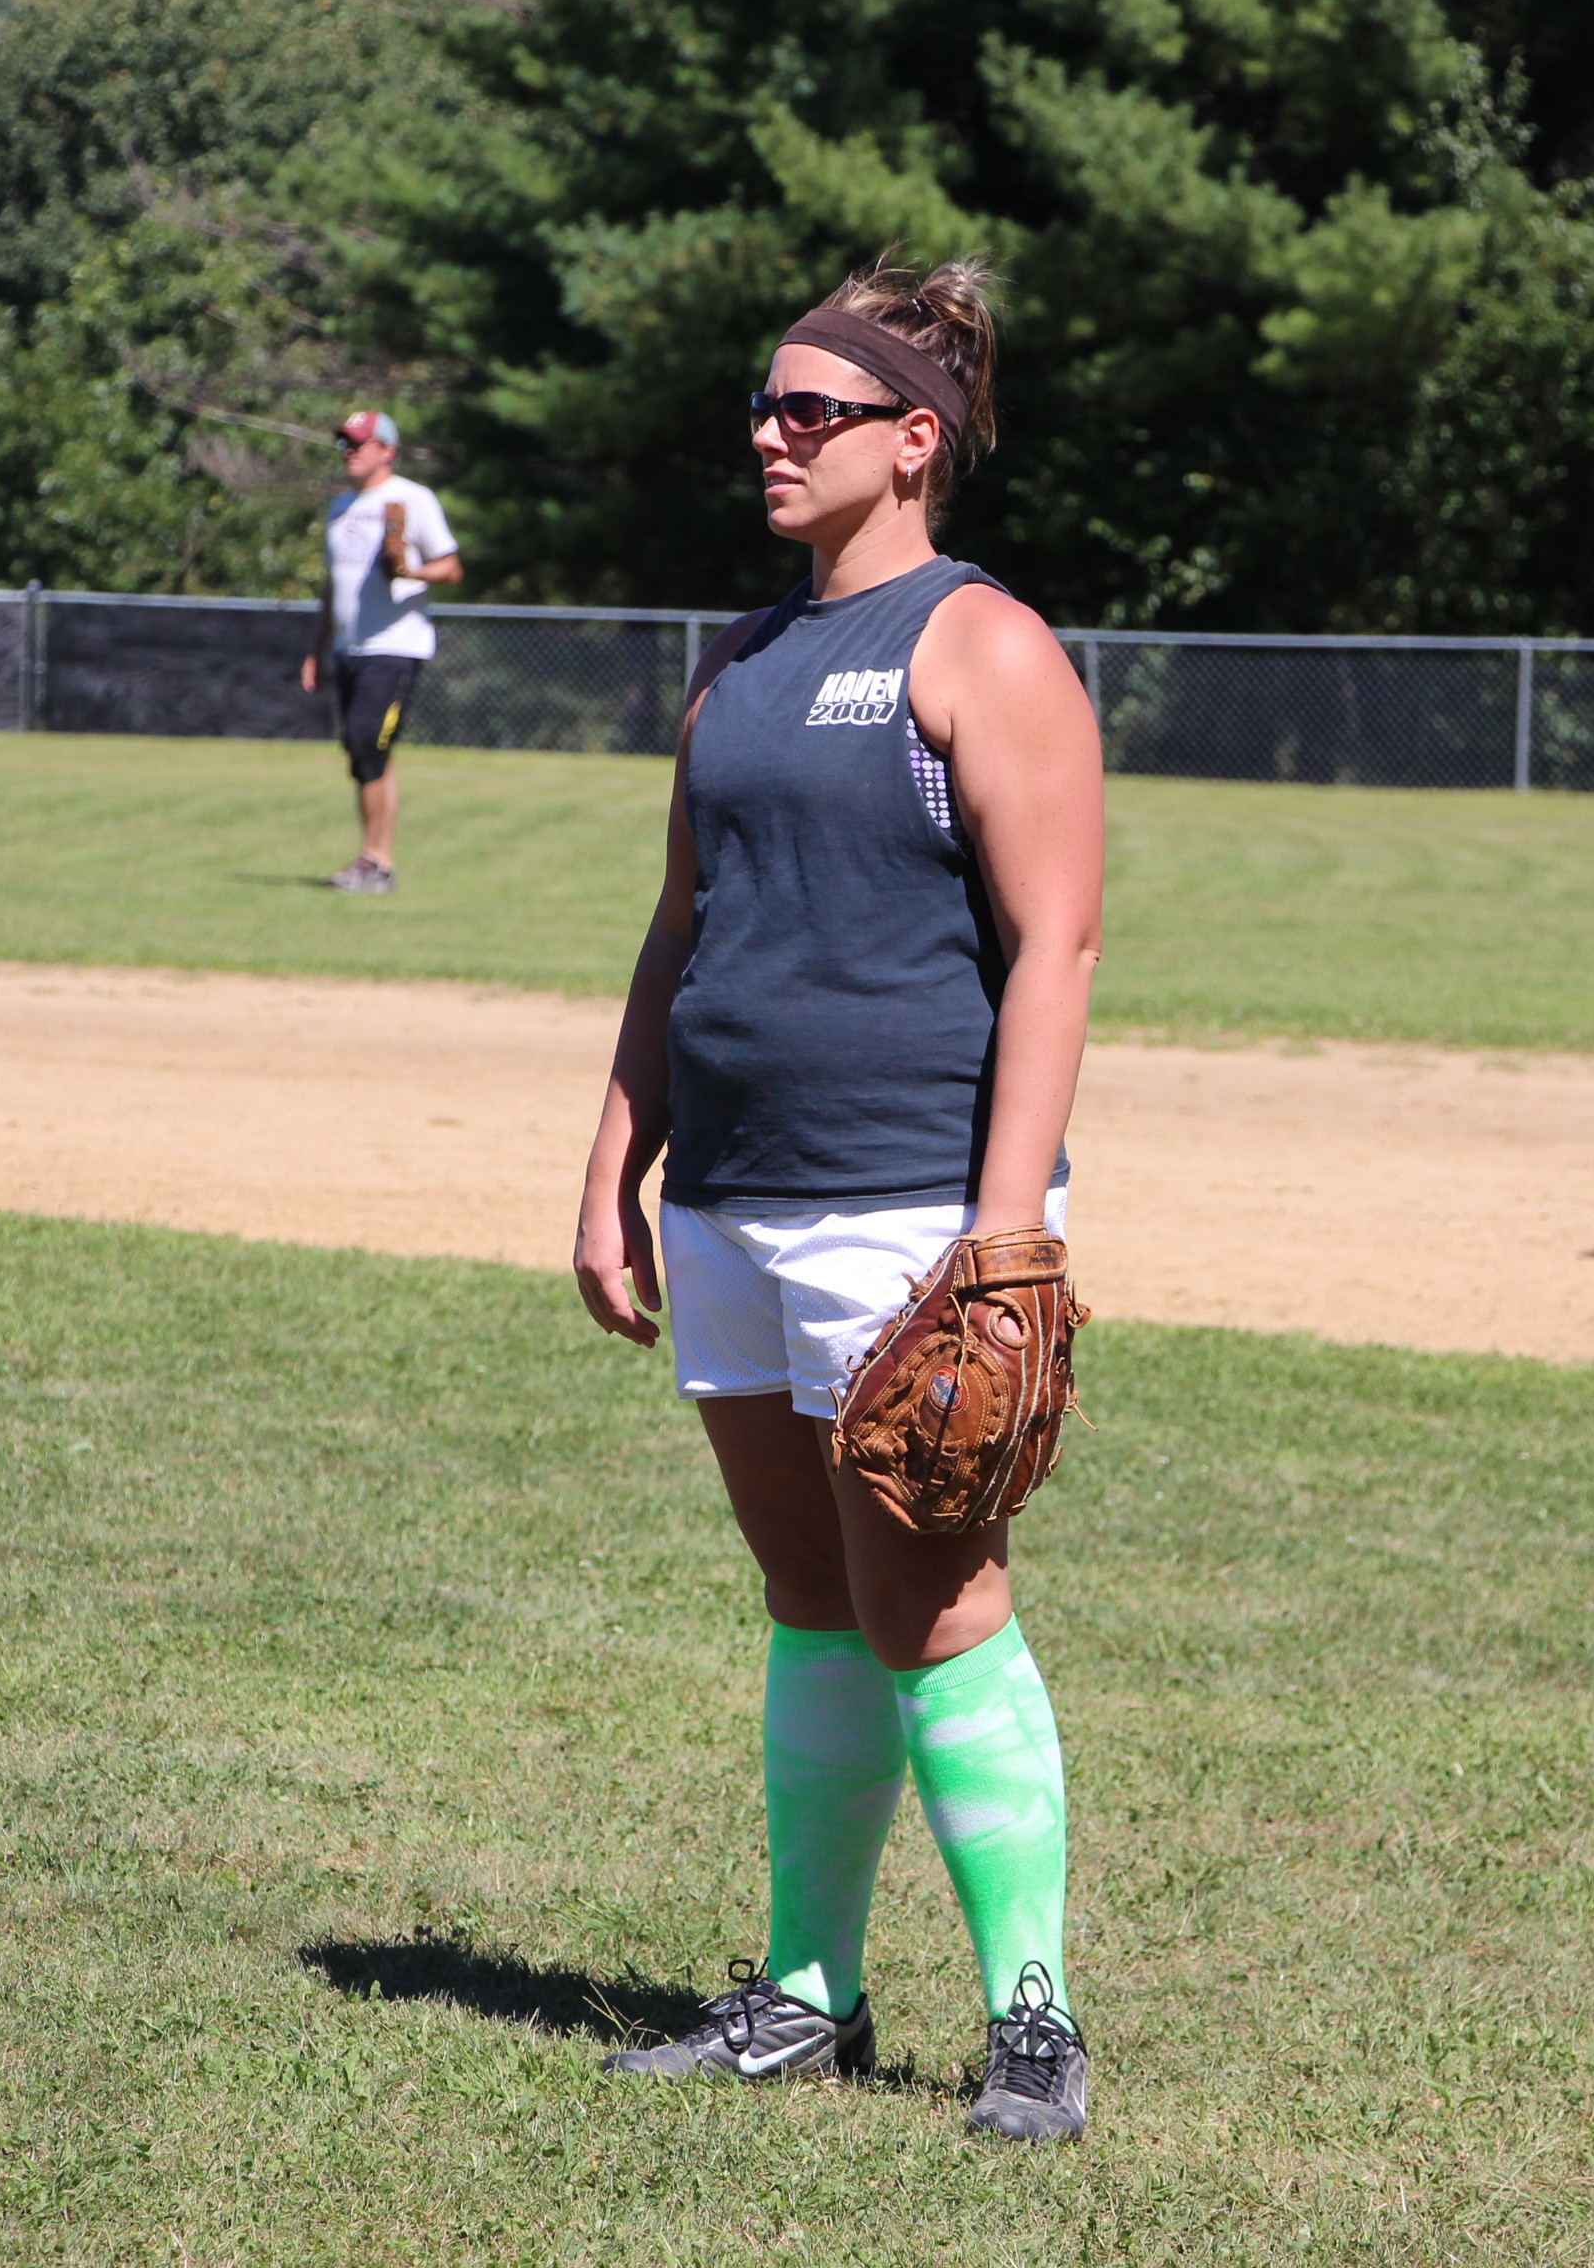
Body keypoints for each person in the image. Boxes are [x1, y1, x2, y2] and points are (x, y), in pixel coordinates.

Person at [571, 260, 1107, 2142]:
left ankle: (1033, 2014)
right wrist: (616, 1162)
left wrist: (1006, 1233)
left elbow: (1056, 948)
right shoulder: (737, 657)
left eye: (811, 409)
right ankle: (811, 1993)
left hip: (904, 1202)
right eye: (764, 404)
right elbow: (681, 927)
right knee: (809, 1597)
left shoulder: (982, 645)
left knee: (936, 1600)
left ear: (914, 438)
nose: (770, 435)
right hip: (730, 1192)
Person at [299, 410, 460, 893]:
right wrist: (316, 649)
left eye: (359, 443)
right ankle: (377, 863)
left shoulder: (412, 499)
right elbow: (334, 585)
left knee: (367, 740)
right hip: (349, 647)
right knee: (365, 751)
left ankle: (374, 860)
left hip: (395, 645)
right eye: (344, 443)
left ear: (387, 450)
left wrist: (410, 570)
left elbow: (451, 568)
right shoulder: (340, 507)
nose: (349, 451)